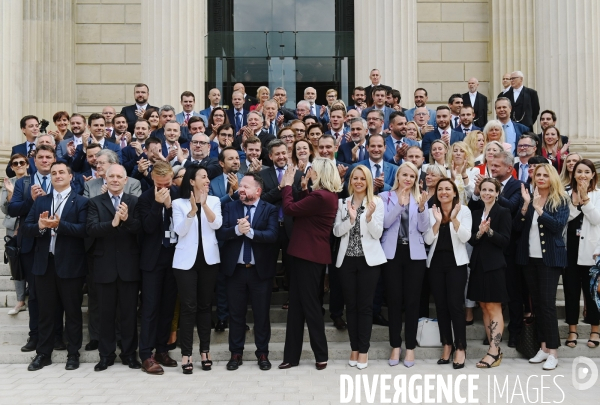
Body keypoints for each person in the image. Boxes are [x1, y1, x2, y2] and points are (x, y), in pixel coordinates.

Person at [21, 162, 89, 371]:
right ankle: (43, 353)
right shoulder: (41, 201)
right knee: (46, 313)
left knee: (73, 312)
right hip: (44, 265)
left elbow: (84, 229)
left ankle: (73, 353)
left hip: (70, 265)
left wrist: (60, 225)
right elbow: (26, 228)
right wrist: (41, 226)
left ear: (71, 176)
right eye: (54, 173)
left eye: (61, 172)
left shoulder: (81, 202)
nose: (57, 175)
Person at [279, 158, 342, 370]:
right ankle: (291, 357)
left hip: (309, 255)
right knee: (297, 306)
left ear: (321, 173)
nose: (309, 172)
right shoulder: (324, 195)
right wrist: (304, 190)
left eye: (312, 170)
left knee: (310, 306)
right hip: (305, 254)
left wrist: (288, 185)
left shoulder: (321, 196)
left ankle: (321, 355)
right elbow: (308, 214)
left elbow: (290, 209)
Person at [216, 173, 279, 371]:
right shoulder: (230, 206)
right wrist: (236, 230)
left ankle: (262, 353)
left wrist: (249, 232)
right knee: (236, 314)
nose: (241, 189)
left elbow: (272, 235)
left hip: (260, 272)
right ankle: (236, 353)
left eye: (246, 187)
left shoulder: (269, 209)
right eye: (240, 186)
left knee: (261, 314)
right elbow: (220, 232)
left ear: (258, 190)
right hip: (235, 271)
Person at [86, 164, 142, 372]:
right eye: (112, 176)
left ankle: (129, 354)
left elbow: (140, 230)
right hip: (104, 266)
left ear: (126, 180)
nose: (116, 180)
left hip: (129, 266)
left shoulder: (134, 202)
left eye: (120, 176)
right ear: (105, 179)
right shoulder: (94, 203)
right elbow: (91, 229)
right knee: (106, 314)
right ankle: (105, 355)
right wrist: (113, 223)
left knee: (128, 314)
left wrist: (126, 220)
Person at [514, 164, 569, 370]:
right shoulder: (527, 197)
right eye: (538, 175)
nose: (542, 178)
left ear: (552, 177)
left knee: (547, 304)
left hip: (550, 259)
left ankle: (553, 351)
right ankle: (544, 348)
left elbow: (556, 227)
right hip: (529, 258)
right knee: (536, 304)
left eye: (546, 175)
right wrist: (527, 206)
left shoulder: (561, 200)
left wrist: (539, 209)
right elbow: (518, 228)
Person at [333, 165, 385, 370]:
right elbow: (337, 232)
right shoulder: (341, 203)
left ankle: (363, 351)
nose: (358, 182)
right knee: (351, 306)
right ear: (350, 181)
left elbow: (378, 234)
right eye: (355, 178)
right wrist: (351, 219)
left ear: (368, 181)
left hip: (368, 261)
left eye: (362, 178)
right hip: (346, 260)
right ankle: (354, 348)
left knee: (365, 307)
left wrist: (369, 217)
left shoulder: (377, 202)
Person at [172, 164, 222, 374]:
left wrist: (204, 206)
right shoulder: (178, 203)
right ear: (192, 181)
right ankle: (186, 354)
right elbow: (179, 231)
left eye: (208, 177)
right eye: (203, 176)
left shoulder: (215, 200)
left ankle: (205, 351)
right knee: (189, 307)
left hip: (209, 260)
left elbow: (217, 224)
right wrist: (192, 211)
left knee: (204, 306)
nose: (207, 180)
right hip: (185, 262)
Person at [380, 162, 429, 368]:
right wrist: (400, 205)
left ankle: (410, 348)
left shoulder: (420, 198)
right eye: (405, 175)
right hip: (392, 253)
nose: (408, 179)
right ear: (398, 176)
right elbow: (384, 223)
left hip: (414, 255)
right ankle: (395, 345)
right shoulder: (385, 197)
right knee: (394, 301)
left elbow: (423, 228)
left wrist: (420, 208)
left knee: (412, 302)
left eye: (412, 176)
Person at [134, 161, 180, 374]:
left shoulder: (179, 193)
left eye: (167, 184)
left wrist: (170, 206)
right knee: (150, 309)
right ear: (152, 179)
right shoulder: (144, 198)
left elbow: (181, 226)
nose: (164, 188)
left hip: (174, 259)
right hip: (152, 261)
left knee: (167, 308)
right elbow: (148, 227)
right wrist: (158, 203)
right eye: (159, 184)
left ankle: (162, 349)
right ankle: (146, 354)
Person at [424, 178, 472, 369]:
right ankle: (447, 344)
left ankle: (460, 347)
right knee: (441, 306)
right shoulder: (431, 212)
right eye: (440, 189)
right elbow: (427, 240)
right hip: (436, 264)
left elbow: (466, 237)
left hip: (456, 264)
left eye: (447, 189)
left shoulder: (464, 210)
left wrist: (453, 218)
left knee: (455, 306)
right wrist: (437, 222)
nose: (444, 192)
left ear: (454, 192)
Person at [467, 178, 511, 368]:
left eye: (490, 190)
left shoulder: (503, 212)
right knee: (484, 306)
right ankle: (494, 349)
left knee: (494, 307)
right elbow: (472, 240)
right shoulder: (476, 213)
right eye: (483, 189)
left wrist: (489, 231)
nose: (486, 193)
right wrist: (479, 232)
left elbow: (505, 241)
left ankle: (494, 350)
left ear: (497, 193)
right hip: (478, 265)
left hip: (494, 266)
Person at [564, 159, 600, 348]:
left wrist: (585, 200)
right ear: (573, 174)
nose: (583, 175)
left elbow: (595, 219)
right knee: (571, 293)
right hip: (570, 251)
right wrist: (574, 203)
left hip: (590, 253)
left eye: (587, 171)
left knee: (591, 293)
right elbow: (564, 219)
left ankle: (595, 331)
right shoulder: (566, 194)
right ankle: (572, 330)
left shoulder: (598, 195)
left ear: (593, 174)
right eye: (579, 171)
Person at [1, 154, 30, 316]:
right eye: (15, 163)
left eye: (22, 162)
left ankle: (33, 294)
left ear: (27, 164)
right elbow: (5, 209)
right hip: (13, 227)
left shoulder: (33, 180)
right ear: (12, 167)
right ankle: (20, 300)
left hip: (29, 225)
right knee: (16, 262)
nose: (19, 165)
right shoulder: (8, 183)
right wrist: (11, 194)